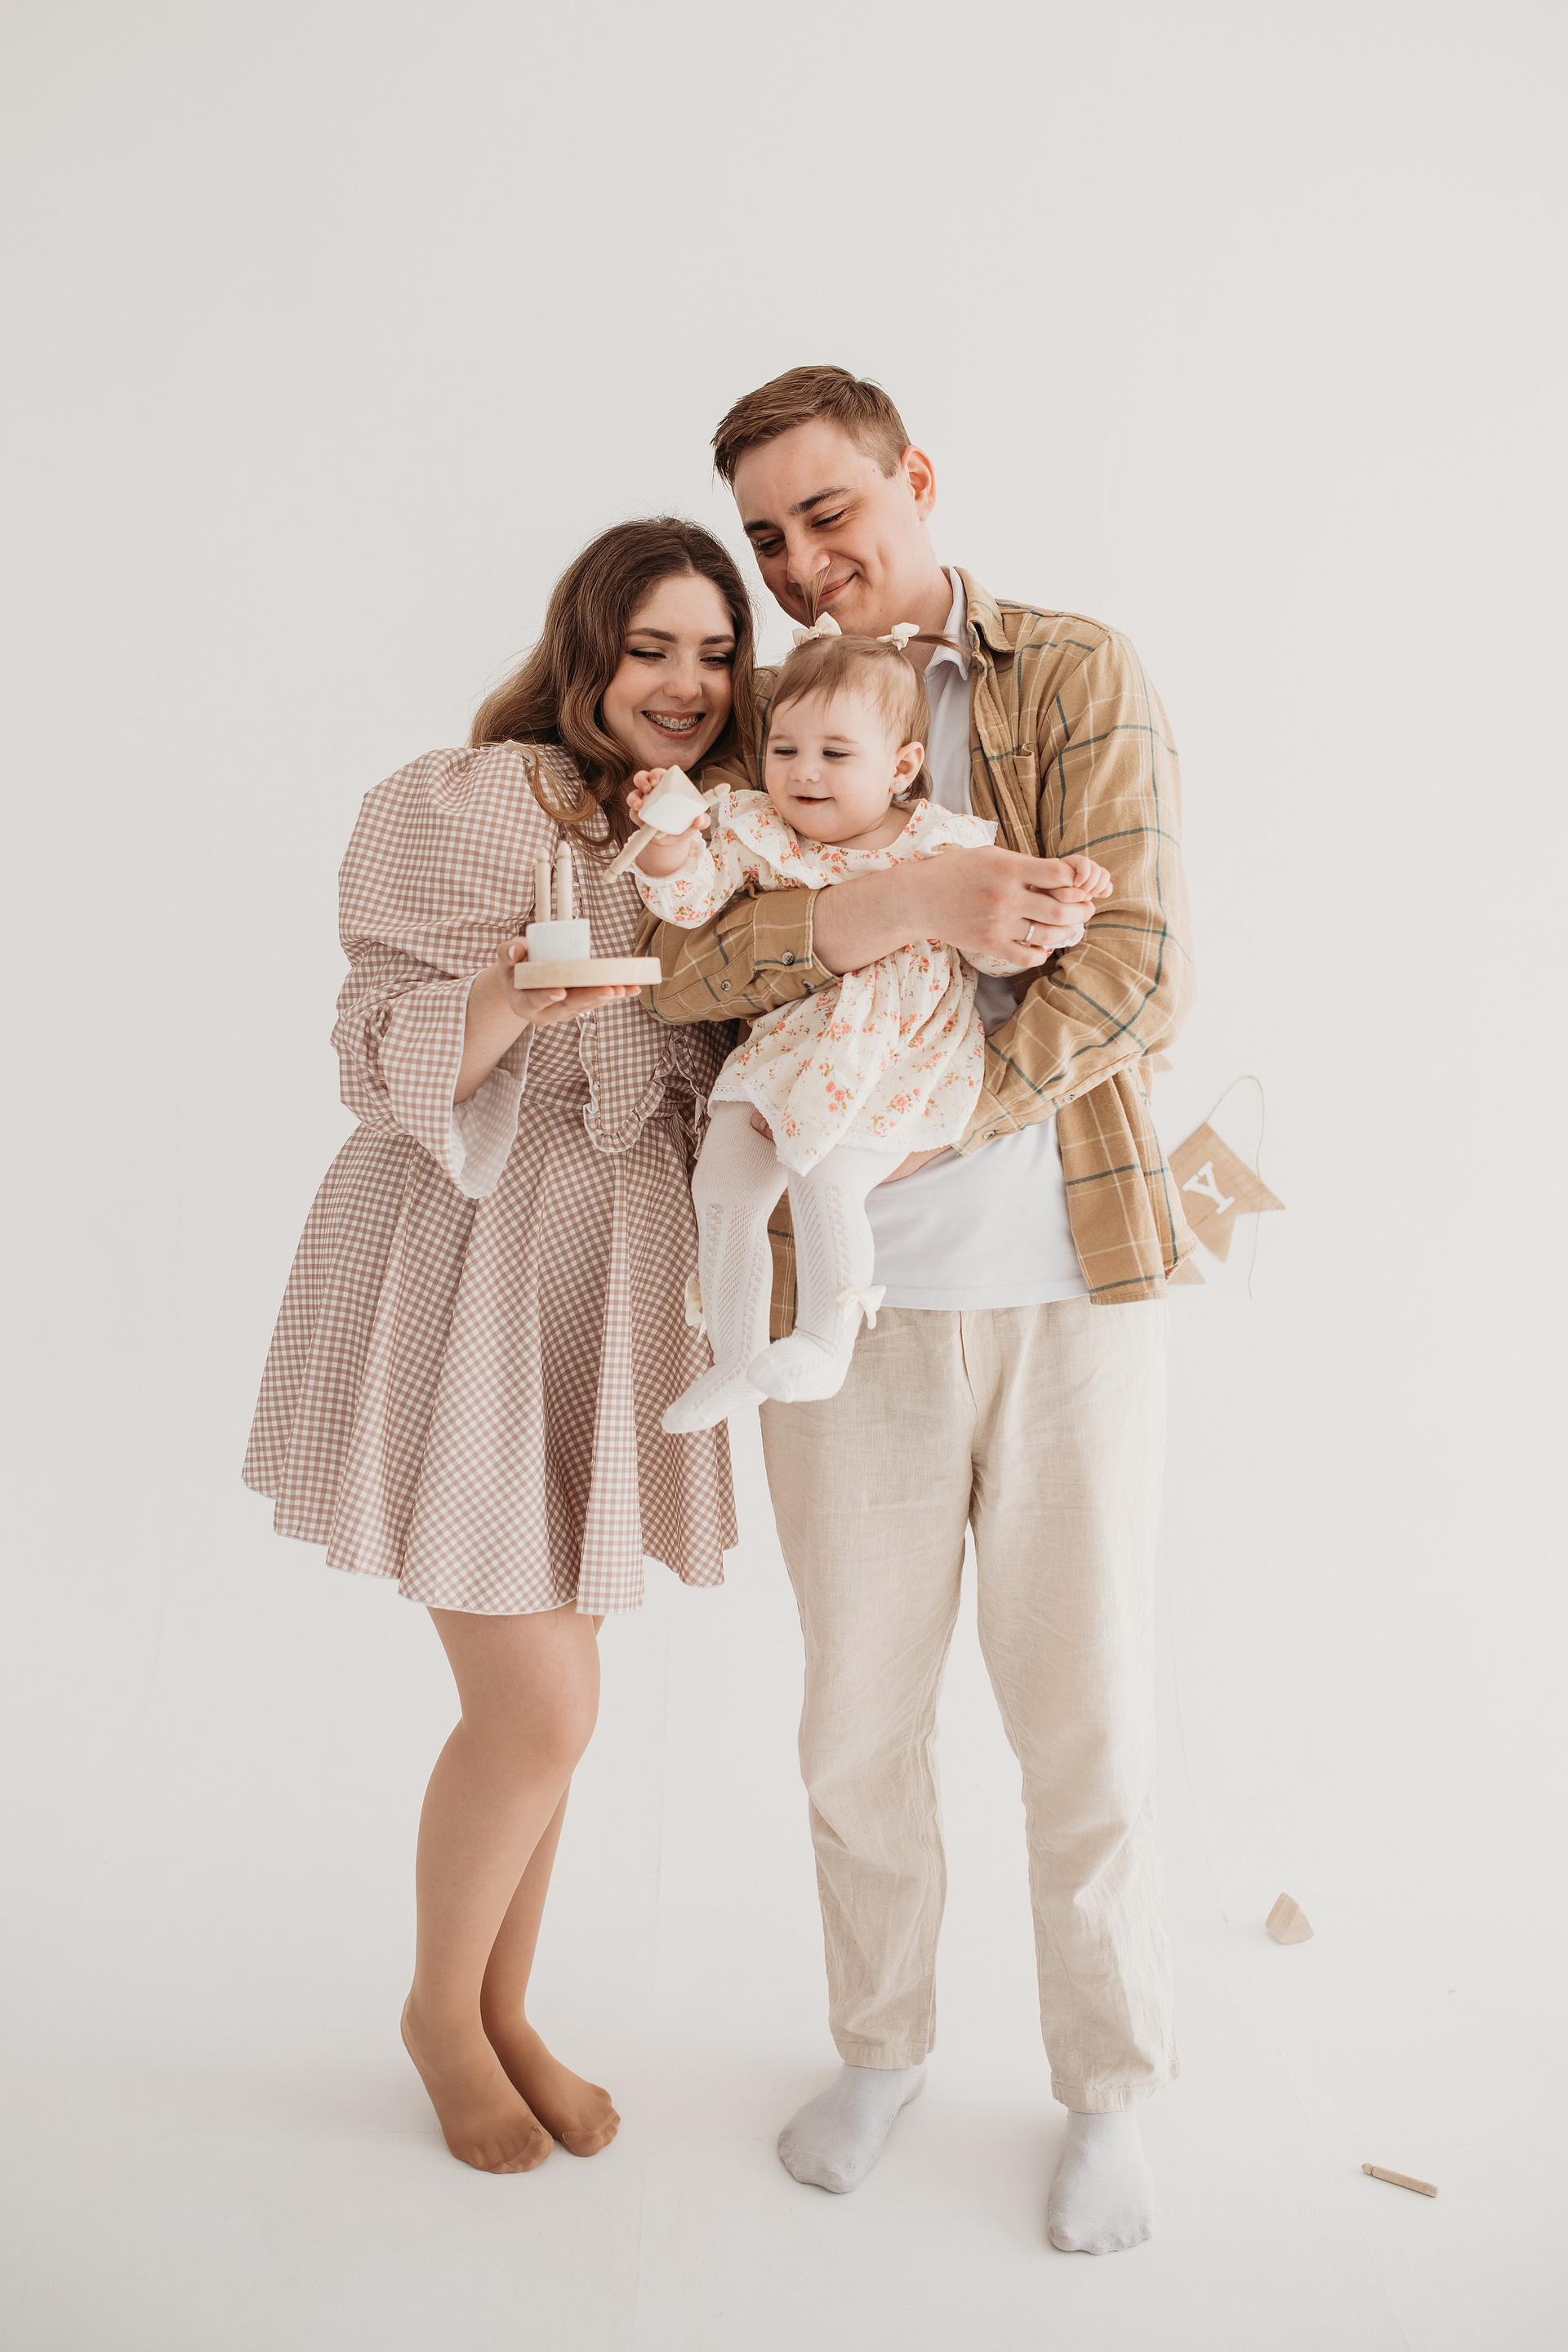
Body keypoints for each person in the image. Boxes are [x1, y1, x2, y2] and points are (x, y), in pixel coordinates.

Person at [640, 368, 1196, 2255]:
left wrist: (922, 1116)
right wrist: (907, 908)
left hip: (1062, 1288)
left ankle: (1108, 2087)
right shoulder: (768, 724)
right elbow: (689, 971)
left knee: (1084, 1721)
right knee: (854, 1725)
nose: (803, 565)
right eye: (769, 540)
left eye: (830, 515)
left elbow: (1138, 971)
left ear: (917, 480)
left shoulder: (1071, 672)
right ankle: (880, 2047)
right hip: (842, 1314)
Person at [243, 517, 756, 2175]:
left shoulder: (729, 829)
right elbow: (365, 1041)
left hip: (614, 1273)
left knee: (560, 1705)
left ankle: (502, 2009)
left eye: (716, 652)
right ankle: (441, 2018)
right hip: (467, 1253)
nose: (685, 683)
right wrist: (510, 1006)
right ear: (584, 644)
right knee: (538, 1705)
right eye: (651, 646)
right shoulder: (466, 805)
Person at [626, 620, 1108, 1428]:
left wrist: (1066, 892)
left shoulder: (942, 845)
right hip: (791, 1046)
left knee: (828, 1178)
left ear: (901, 768)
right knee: (724, 1184)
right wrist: (669, 846)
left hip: (895, 1055)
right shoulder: (760, 831)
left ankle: (825, 1339)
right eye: (785, 749)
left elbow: (1000, 946)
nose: (804, 772)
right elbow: (691, 903)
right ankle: (736, 1356)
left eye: (835, 753)